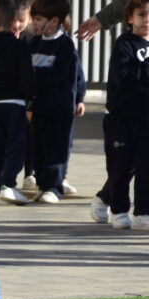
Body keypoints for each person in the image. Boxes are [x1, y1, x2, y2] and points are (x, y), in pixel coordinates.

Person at [98, 0, 149, 230]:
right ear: (130, 18)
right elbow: (126, 77)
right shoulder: (124, 45)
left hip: (146, 119)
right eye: (142, 14)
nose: (146, 19)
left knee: (145, 165)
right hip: (122, 119)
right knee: (120, 167)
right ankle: (118, 210)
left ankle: (143, 212)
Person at [29, 0, 85, 204]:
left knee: (57, 148)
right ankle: (42, 185)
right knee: (39, 148)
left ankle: (54, 187)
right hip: (39, 107)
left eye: (38, 19)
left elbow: (72, 74)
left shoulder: (65, 45)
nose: (33, 23)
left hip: (60, 108)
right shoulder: (34, 43)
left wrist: (80, 97)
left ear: (54, 21)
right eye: (33, 18)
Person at [0, 0, 35, 205]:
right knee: (15, 146)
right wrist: (30, 102)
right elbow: (27, 76)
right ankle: (8, 184)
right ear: (13, 20)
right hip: (14, 103)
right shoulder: (19, 45)